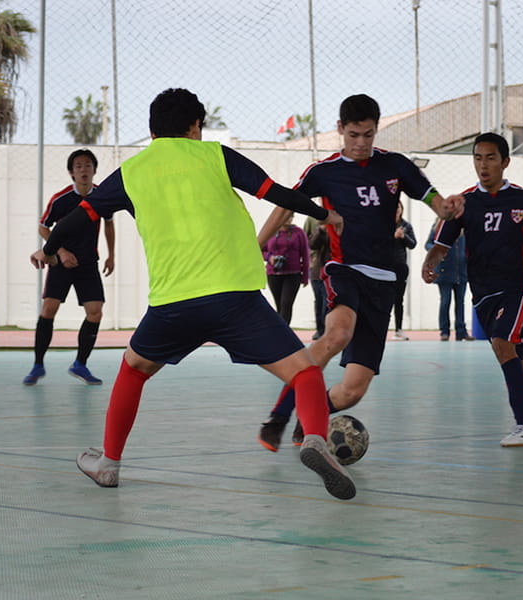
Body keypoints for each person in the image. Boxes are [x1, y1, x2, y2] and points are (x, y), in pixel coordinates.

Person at [30, 88, 356, 500]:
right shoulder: (216, 155)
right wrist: (326, 214)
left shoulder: (132, 172)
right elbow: (276, 193)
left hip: (173, 303)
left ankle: (109, 464)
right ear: (196, 126)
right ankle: (313, 439)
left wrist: (48, 249)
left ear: (152, 131)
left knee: (133, 370)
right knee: (305, 372)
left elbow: (79, 217)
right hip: (236, 297)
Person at [256, 93, 464, 450]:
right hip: (344, 269)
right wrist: (256, 244)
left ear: (376, 129)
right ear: (340, 129)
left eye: (368, 134)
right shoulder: (323, 172)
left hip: (384, 284)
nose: (361, 143)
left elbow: (436, 203)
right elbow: (286, 205)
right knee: (336, 336)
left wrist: (447, 208)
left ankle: (311, 417)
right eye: (354, 134)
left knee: (352, 391)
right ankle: (277, 417)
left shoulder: (396, 166)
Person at [422, 132, 523, 446]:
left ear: (505, 162)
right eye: (478, 158)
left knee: (501, 343)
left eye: (491, 158)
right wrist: (430, 260)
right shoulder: (465, 203)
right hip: (482, 292)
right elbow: (443, 242)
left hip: (517, 288)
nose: (483, 165)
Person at [23, 149, 115, 386]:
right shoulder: (60, 199)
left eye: (87, 165)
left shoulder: (102, 197)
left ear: (94, 169)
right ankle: (37, 365)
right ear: (71, 172)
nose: (83, 170)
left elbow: (108, 225)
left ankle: (80, 364)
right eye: (78, 166)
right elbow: (43, 227)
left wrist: (111, 255)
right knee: (49, 309)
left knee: (95, 311)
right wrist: (60, 252)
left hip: (88, 264)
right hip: (61, 264)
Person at [425, 219, 471, 341]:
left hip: (461, 272)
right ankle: (444, 331)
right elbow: (428, 244)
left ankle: (461, 332)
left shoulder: (465, 228)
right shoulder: (438, 227)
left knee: (460, 302)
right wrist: (437, 251)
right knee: (446, 301)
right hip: (444, 271)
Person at [262, 214, 309, 324]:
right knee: (279, 305)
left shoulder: (299, 232)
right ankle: (280, 331)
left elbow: (305, 255)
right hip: (274, 274)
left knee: (286, 304)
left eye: (290, 216)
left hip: (293, 274)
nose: (288, 219)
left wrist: (305, 277)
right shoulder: (271, 230)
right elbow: (260, 249)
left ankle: (284, 332)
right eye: (286, 216)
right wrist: (270, 258)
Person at [390, 201, 416, 340]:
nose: (396, 210)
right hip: (385, 266)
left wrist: (403, 236)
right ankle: (381, 328)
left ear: (402, 209)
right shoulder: (384, 224)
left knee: (398, 299)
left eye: (398, 207)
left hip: (400, 266)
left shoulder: (406, 226)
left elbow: (413, 244)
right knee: (384, 299)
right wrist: (392, 236)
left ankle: (398, 330)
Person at [304, 216, 331, 340]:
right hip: (317, 268)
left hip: (334, 269)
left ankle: (327, 329)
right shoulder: (312, 219)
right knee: (319, 301)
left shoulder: (342, 219)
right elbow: (311, 244)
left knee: (328, 301)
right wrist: (320, 230)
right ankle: (320, 329)